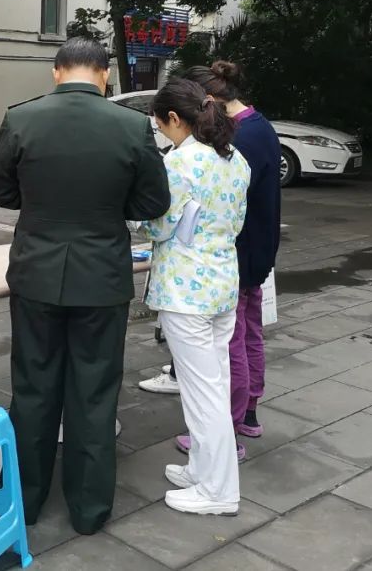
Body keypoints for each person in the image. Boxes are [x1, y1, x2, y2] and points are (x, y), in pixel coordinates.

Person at [0, 37, 170, 534]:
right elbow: (153, 202)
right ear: (104, 75)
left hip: (36, 272)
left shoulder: (21, 118)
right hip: (102, 275)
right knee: (94, 393)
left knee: (33, 387)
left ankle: (24, 499)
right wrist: (112, 208)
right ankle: (89, 510)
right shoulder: (133, 125)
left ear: (56, 72)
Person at [141, 79, 250, 515]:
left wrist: (143, 226)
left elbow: (161, 225)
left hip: (185, 290)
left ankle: (219, 491)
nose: (159, 132)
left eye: (159, 124)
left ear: (173, 118)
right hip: (223, 282)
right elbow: (237, 221)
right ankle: (203, 471)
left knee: (201, 394)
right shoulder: (234, 159)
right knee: (212, 386)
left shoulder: (180, 163)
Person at [166, 62, 281, 448]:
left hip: (235, 255)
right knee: (249, 334)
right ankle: (247, 413)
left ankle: (227, 431)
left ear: (210, 101)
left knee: (231, 345)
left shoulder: (239, 140)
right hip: (258, 250)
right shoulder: (260, 124)